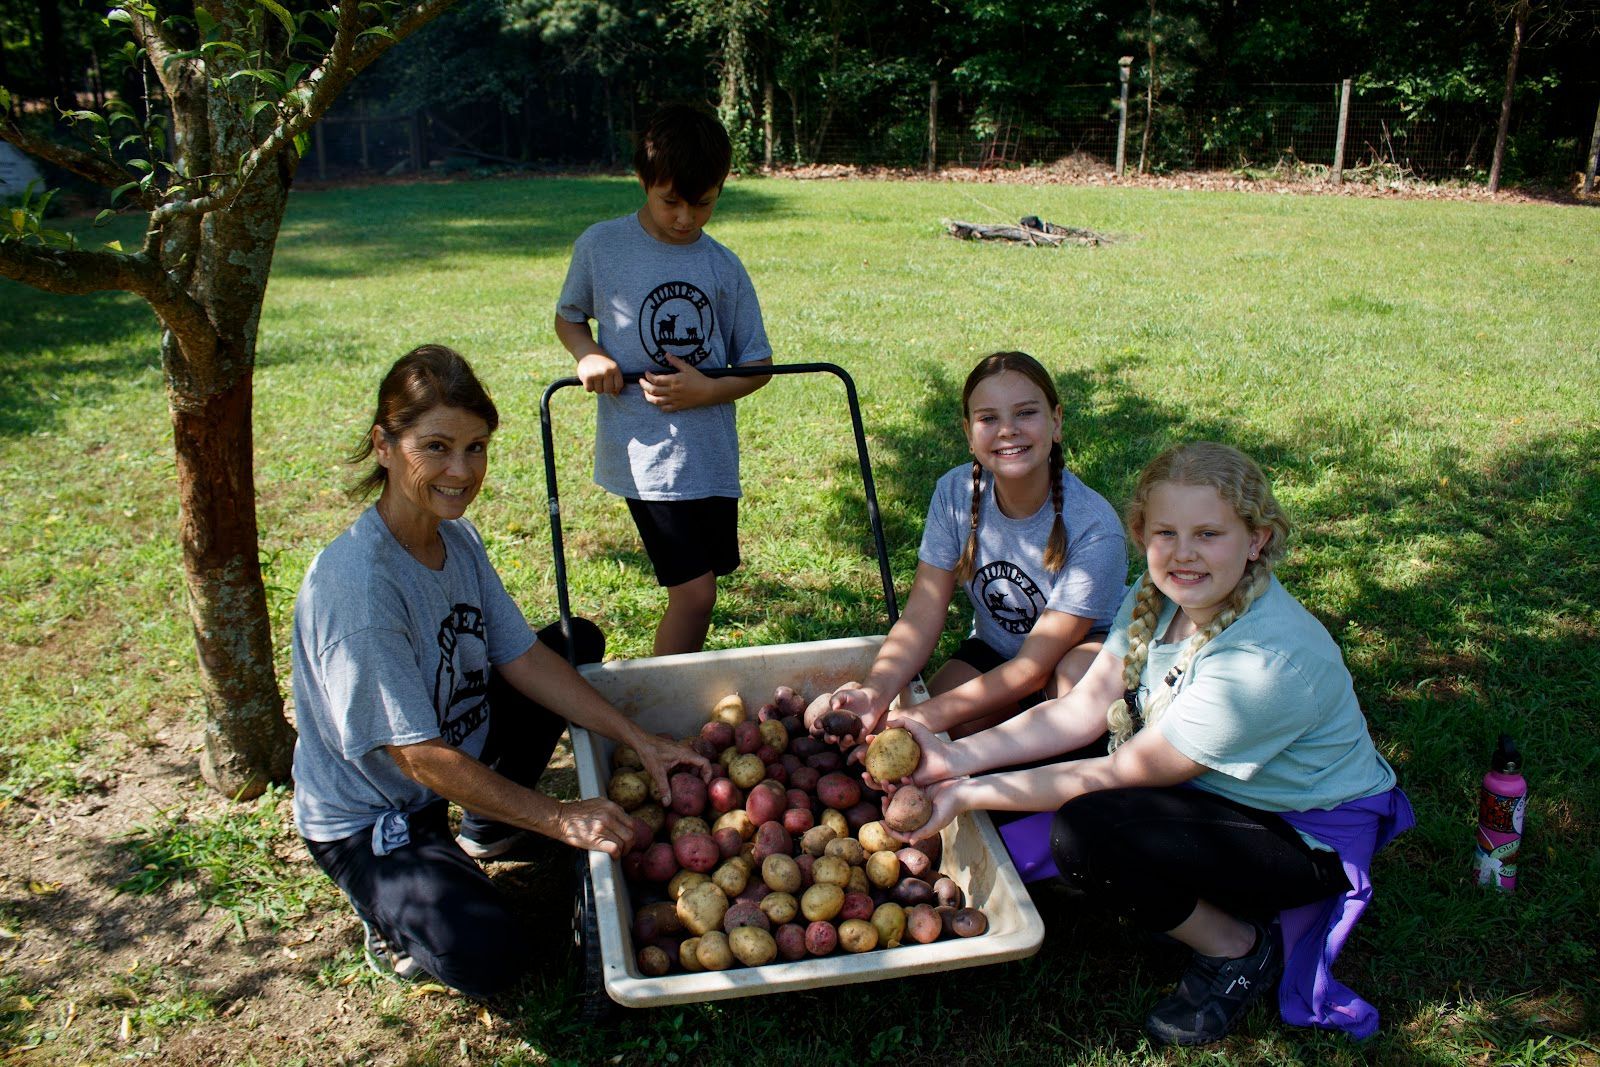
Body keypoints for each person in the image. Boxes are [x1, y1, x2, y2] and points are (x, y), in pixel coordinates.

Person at [887, 441, 1413, 1046]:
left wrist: (969, 791)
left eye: (1209, 534)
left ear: (1257, 540)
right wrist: (952, 756)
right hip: (1212, 786)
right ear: (1142, 533)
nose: (1183, 554)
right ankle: (1186, 894)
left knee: (1090, 834)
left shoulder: (1264, 664)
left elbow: (1115, 774)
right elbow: (1079, 711)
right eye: (1166, 532)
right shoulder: (1160, 597)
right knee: (1042, 796)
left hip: (1304, 835)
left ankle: (1239, 947)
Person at [290, 344, 709, 999]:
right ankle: (391, 920)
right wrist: (558, 816)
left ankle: (487, 827)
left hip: (447, 751)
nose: (462, 471)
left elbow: (522, 656)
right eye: (436, 447)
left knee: (573, 643)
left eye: (476, 447)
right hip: (376, 813)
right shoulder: (361, 591)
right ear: (383, 444)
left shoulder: (455, 537)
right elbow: (418, 757)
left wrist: (638, 737)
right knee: (492, 958)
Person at [813, 351, 1126, 747]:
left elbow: (1032, 668)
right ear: (968, 433)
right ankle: (1008, 726)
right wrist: (875, 694)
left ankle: (1049, 754)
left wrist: (915, 715)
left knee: (1068, 693)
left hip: (1076, 657)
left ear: (1057, 421)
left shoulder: (1095, 529)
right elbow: (922, 615)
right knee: (940, 736)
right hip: (997, 651)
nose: (1007, 430)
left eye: (1026, 413)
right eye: (988, 418)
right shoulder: (955, 492)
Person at [554, 103, 773, 657]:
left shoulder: (724, 266)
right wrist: (588, 355)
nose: (684, 218)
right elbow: (569, 314)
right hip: (646, 456)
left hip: (710, 456)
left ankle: (674, 695)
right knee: (695, 594)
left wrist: (707, 390)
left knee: (706, 587)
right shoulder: (602, 247)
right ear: (644, 181)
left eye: (703, 203)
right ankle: (667, 705)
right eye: (670, 200)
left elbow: (757, 364)